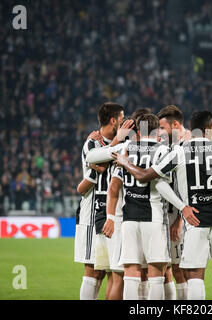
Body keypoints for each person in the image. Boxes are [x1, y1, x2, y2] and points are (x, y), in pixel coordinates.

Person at [113, 110, 212, 300]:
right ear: (210, 129)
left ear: (192, 128)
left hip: (195, 218)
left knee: (195, 275)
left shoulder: (180, 151)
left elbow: (148, 178)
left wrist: (182, 206)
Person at [105, 113, 198, 300]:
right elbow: (165, 186)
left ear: (138, 131)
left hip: (129, 219)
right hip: (154, 218)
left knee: (131, 273)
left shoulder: (126, 149)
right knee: (158, 274)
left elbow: (114, 185)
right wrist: (182, 207)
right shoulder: (163, 151)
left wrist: (110, 217)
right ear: (157, 133)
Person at [74, 102, 128, 300]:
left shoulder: (119, 142)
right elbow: (100, 165)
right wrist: (117, 143)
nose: (124, 125)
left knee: (114, 271)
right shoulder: (91, 143)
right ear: (113, 121)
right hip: (90, 213)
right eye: (122, 120)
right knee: (93, 272)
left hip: (111, 212)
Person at [157, 105, 191, 300]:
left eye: (162, 128)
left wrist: (178, 219)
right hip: (162, 215)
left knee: (179, 270)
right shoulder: (169, 146)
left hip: (178, 216)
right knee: (164, 270)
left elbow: (186, 187)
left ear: (175, 124)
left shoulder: (188, 146)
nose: (159, 132)